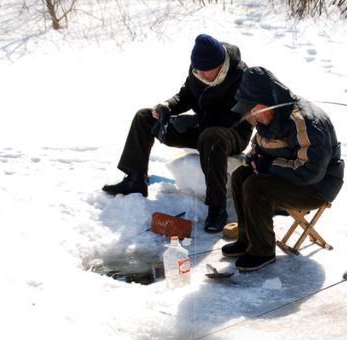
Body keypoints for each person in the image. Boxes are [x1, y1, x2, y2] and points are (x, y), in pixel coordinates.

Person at [102, 34, 252, 233]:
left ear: (220, 64)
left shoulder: (241, 75)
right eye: (196, 70)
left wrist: (194, 121)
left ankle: (217, 209)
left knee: (212, 137)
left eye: (205, 71)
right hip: (202, 128)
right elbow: (186, 95)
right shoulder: (199, 70)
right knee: (145, 117)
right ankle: (135, 180)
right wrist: (167, 107)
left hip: (232, 134)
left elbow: (234, 116)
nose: (200, 74)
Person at [221, 67, 345, 272]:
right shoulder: (268, 116)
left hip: (317, 187)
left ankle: (262, 250)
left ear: (268, 99)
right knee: (241, 175)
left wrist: (267, 166)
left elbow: (310, 170)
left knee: (256, 185)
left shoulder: (306, 120)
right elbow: (257, 147)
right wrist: (254, 159)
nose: (252, 114)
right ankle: (247, 239)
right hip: (290, 179)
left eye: (254, 108)